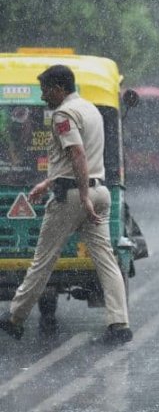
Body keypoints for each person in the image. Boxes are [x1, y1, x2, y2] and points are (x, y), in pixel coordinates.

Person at [0, 65, 133, 345]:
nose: (42, 96)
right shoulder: (90, 110)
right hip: (100, 190)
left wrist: (82, 195)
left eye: (45, 90)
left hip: (73, 197)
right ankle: (119, 323)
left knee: (43, 261)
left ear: (59, 88)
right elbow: (81, 160)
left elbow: (78, 154)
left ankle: (15, 318)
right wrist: (48, 183)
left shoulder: (63, 114)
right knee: (106, 261)